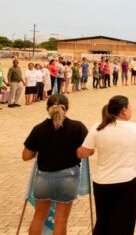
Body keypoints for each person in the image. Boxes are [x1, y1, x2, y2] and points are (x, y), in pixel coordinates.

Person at [77, 95, 136, 235]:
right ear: (124, 110)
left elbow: (82, 153)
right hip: (125, 181)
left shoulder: (97, 128)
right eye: (130, 107)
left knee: (103, 221)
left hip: (101, 182)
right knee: (124, 223)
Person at [22, 94, 88, 235]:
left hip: (43, 178)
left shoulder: (38, 129)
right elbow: (87, 151)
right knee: (61, 220)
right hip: (68, 178)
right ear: (67, 108)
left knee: (39, 217)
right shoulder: (78, 127)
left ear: (47, 108)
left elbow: (26, 156)